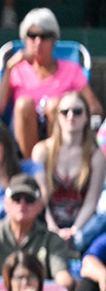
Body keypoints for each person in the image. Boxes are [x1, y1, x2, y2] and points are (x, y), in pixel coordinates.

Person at [0, 7, 102, 156]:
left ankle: (54, 163)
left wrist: (69, 107)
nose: (38, 42)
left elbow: (95, 109)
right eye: (32, 35)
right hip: (23, 136)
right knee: (24, 104)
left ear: (53, 40)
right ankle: (31, 166)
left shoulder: (71, 70)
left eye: (44, 36)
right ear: (25, 39)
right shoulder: (17, 70)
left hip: (61, 137)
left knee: (55, 105)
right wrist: (9, 67)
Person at [0, 171, 76, 291]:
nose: (22, 204)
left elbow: (64, 280)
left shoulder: (52, 240)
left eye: (29, 199)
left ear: (40, 205)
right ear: (6, 203)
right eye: (16, 198)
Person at [33, 93, 104, 240]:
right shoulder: (42, 151)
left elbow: (92, 202)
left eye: (77, 112)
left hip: (83, 226)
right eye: (65, 112)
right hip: (48, 224)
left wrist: (74, 230)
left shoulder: (96, 156)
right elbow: (40, 198)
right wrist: (53, 229)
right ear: (58, 117)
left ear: (86, 117)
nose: (71, 116)